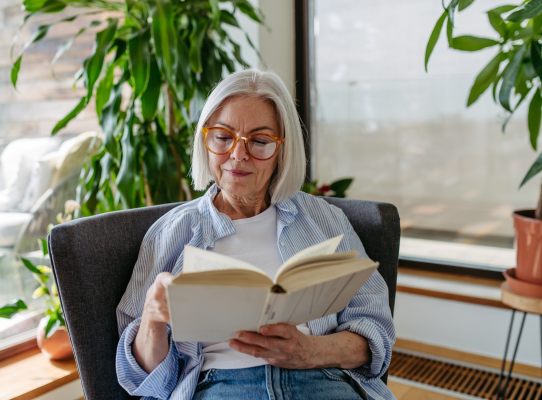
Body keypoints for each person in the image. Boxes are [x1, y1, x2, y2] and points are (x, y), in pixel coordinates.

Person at [116, 68, 396, 400]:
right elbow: (140, 379)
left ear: (282, 149)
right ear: (205, 139)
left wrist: (309, 351)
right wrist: (152, 318)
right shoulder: (171, 232)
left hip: (320, 379)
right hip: (218, 386)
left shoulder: (325, 221)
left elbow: (376, 331)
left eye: (260, 141)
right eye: (223, 136)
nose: (237, 154)